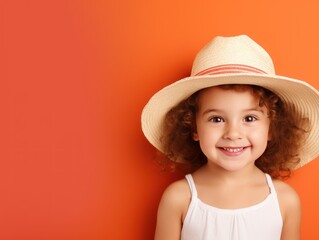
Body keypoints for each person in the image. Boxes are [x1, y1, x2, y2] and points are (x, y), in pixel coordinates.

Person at [141, 35, 319, 240]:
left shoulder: (284, 201)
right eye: (216, 119)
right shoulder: (179, 198)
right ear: (193, 127)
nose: (233, 133)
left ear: (272, 128)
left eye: (249, 118)